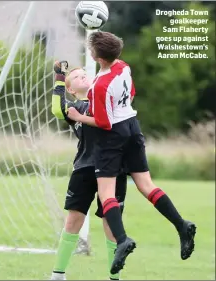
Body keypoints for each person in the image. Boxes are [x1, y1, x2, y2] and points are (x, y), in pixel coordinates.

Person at [67, 31, 197, 275]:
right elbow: (131, 94)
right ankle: (182, 225)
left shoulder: (99, 86)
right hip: (132, 127)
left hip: (113, 135)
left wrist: (79, 117)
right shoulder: (124, 67)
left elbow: (103, 122)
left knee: (106, 193)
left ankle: (123, 239)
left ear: (97, 57)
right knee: (146, 184)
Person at [50, 61, 127, 280]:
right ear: (71, 89)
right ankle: (58, 275)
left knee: (111, 222)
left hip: (113, 170)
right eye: (76, 77)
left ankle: (114, 277)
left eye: (85, 74)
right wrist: (59, 77)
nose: (83, 76)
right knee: (74, 219)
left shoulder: (105, 101)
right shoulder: (74, 109)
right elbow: (56, 108)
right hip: (84, 168)